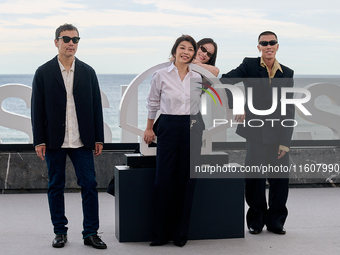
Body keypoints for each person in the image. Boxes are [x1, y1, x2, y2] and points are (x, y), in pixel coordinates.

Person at [31, 23, 107, 249]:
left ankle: (90, 232)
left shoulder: (88, 72)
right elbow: (37, 109)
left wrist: (98, 138)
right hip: (54, 141)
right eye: (66, 39)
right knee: (56, 185)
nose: (71, 43)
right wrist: (39, 140)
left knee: (90, 185)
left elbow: (96, 107)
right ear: (56, 42)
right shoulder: (43, 72)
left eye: (75, 39)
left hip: (82, 140)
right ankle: (59, 231)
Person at [220, 31, 295, 235]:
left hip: (279, 133)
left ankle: (276, 221)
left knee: (280, 180)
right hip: (256, 132)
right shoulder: (249, 65)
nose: (268, 46)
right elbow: (225, 80)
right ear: (259, 47)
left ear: (277, 46)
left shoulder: (287, 73)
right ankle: (256, 221)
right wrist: (237, 105)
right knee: (255, 178)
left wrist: (285, 142)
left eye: (272, 43)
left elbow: (289, 109)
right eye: (264, 43)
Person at [144, 35, 204, 247]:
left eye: (190, 49)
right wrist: (149, 127)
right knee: (163, 180)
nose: (185, 52)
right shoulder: (160, 75)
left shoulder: (197, 77)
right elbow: (153, 102)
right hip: (168, 126)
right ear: (175, 50)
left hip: (191, 127)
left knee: (186, 181)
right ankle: (160, 234)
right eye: (182, 47)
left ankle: (180, 235)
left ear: (194, 54)